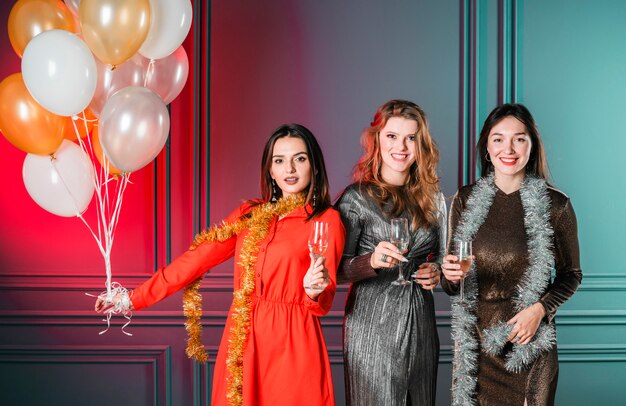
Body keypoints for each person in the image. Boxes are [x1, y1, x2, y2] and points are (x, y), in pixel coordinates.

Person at [95, 124, 346, 406]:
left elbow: (322, 301)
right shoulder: (249, 215)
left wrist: (314, 290)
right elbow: (194, 260)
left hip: (292, 344)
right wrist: (131, 298)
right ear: (270, 171)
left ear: (314, 165)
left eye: (300, 158)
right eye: (279, 160)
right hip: (243, 339)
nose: (289, 168)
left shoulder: (326, 221)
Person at [441, 103, 582, 405]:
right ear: (487, 148)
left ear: (532, 145)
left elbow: (572, 275)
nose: (509, 148)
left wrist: (540, 310)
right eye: (498, 139)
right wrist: (449, 276)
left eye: (519, 138)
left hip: (529, 346)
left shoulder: (557, 205)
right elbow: (453, 283)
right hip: (476, 349)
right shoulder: (465, 200)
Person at [335, 99, 446, 405]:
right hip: (372, 328)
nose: (402, 146)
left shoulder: (433, 199)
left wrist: (435, 270)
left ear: (420, 145)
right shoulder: (355, 198)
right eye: (392, 136)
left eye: (411, 138)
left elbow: (444, 258)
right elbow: (335, 270)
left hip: (421, 325)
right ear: (377, 141)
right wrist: (369, 261)